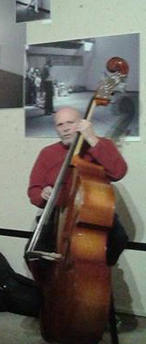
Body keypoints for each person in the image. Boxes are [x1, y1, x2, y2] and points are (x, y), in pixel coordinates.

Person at [28, 107, 128, 264]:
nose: (65, 128)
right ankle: (49, 286)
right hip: (59, 215)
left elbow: (118, 172)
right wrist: (42, 193)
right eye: (60, 125)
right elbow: (34, 190)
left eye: (70, 123)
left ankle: (95, 274)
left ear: (82, 123)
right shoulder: (47, 153)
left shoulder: (101, 144)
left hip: (95, 214)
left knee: (119, 238)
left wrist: (91, 138)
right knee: (34, 256)